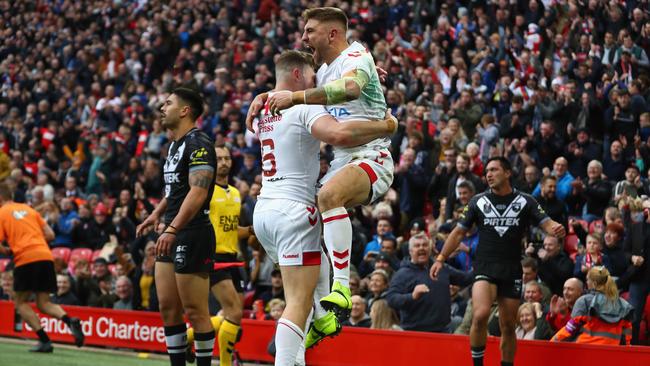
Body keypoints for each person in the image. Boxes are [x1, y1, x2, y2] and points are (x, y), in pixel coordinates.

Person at [247, 7, 393, 323]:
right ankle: (323, 315)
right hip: (343, 160)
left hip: (371, 155)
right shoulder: (327, 69)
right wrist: (265, 94)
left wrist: (296, 98)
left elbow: (351, 88)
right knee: (312, 224)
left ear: (332, 33)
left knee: (327, 197)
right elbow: (297, 78)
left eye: (310, 30)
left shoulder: (356, 57)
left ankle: (340, 289)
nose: (304, 36)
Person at [431, 157, 565, 366]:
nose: (489, 175)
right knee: (481, 313)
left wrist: (556, 228)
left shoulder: (526, 201)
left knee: (509, 326)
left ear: (508, 172)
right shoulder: (478, 201)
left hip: (511, 268)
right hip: (485, 266)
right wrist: (440, 258)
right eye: (487, 171)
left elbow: (546, 223)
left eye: (494, 170)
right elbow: (458, 233)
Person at [135, 87, 218, 366]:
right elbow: (175, 190)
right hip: (170, 230)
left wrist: (172, 229)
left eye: (168, 103)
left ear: (185, 111)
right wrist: (155, 215)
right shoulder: (174, 145)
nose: (162, 108)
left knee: (195, 310)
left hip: (192, 232)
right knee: (168, 307)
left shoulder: (199, 143)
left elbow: (198, 191)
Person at [186, 146, 255, 366]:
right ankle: (226, 363)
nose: (224, 162)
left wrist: (254, 230)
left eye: (227, 158)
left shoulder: (235, 193)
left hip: (234, 258)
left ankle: (187, 338)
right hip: (213, 257)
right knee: (234, 312)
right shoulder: (204, 192)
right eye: (219, 159)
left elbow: (233, 230)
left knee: (232, 314)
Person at [0, 183, 84, 352]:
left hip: (25, 259)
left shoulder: (1, 213)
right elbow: (51, 235)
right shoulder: (30, 210)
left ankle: (45, 341)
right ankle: (70, 321)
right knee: (43, 302)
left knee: (20, 302)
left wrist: (7, 250)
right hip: (45, 256)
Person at [386, 233, 472, 333]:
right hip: (414, 332)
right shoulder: (402, 274)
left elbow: (467, 278)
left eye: (425, 245)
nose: (421, 248)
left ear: (430, 249)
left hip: (443, 331)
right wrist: (412, 296)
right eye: (417, 246)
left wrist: (481, 261)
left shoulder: (441, 268)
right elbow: (391, 299)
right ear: (410, 251)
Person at [552, 267, 633, 345]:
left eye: (587, 280)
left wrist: (552, 341)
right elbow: (626, 336)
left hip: (585, 351)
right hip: (610, 352)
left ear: (593, 283)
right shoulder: (623, 305)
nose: (586, 282)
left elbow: (570, 330)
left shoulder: (584, 301)